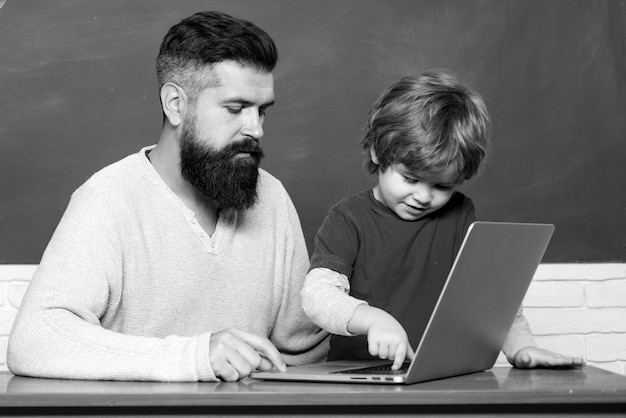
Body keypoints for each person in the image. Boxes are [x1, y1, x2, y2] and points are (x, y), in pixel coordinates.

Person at [8, 11, 328, 382]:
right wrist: (194, 356)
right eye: (235, 108)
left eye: (262, 111)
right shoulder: (107, 198)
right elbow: (34, 338)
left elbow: (305, 356)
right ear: (175, 104)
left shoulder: (271, 198)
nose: (255, 128)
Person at [301, 69, 585, 371]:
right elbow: (316, 297)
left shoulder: (461, 214)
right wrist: (371, 320)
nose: (424, 197)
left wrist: (521, 347)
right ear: (376, 152)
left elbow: (490, 296)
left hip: (439, 375)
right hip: (356, 377)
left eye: (442, 186)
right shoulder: (348, 218)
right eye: (410, 178)